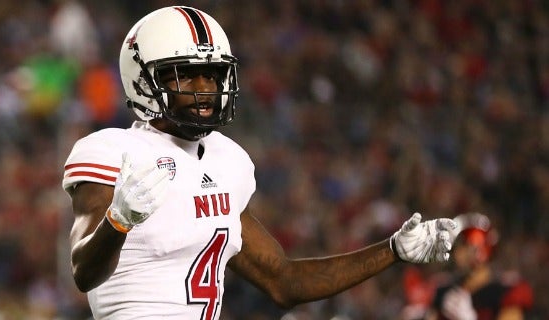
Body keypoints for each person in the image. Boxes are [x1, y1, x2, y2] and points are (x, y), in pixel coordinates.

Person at [62, 6, 458, 319]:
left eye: (213, 76)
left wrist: (391, 250)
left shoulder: (226, 160)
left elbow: (283, 281)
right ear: (144, 82)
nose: (206, 91)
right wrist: (118, 221)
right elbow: (84, 271)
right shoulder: (113, 151)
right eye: (188, 78)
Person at [425, 213, 534, 320]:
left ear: (480, 249)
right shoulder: (446, 289)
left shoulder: (507, 292)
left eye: (463, 246)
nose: (457, 254)